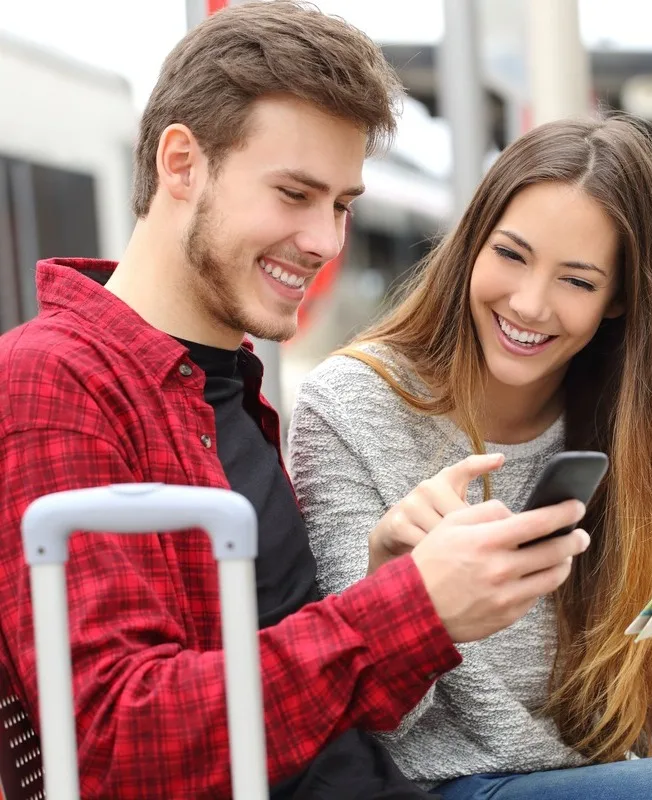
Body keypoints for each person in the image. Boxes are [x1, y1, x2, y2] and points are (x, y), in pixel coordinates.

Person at [0, 4, 591, 799]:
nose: (326, 241)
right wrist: (411, 609)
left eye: (341, 204)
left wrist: (391, 586)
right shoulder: (51, 379)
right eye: (294, 194)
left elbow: (293, 697)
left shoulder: (228, 384)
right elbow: (114, 742)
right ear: (183, 164)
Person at [289, 114, 652, 800]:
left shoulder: (649, 432)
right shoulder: (351, 404)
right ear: (472, 245)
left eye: (577, 282)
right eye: (511, 255)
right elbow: (362, 717)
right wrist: (402, 589)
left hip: (604, 781)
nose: (529, 304)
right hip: (438, 786)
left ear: (618, 299)